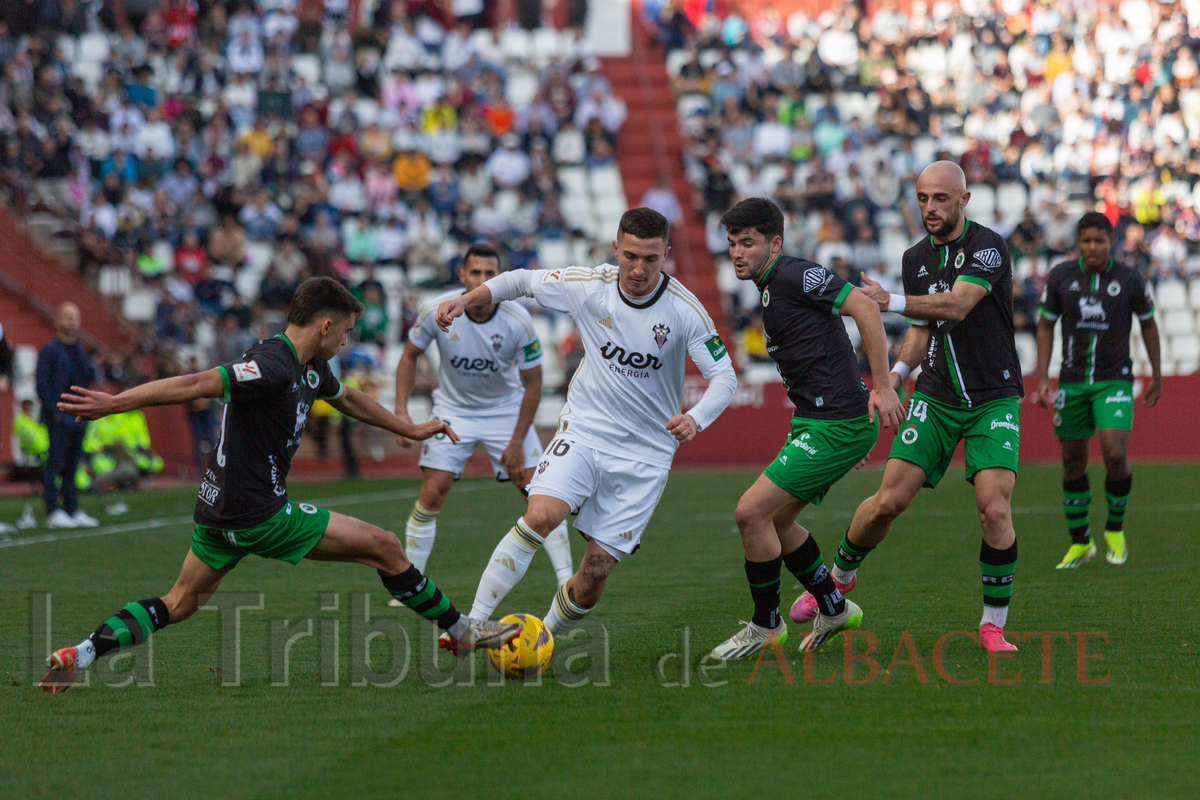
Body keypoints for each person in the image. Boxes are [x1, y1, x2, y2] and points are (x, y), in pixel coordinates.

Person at [40, 278, 520, 692]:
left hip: (217, 512)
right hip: (258, 513)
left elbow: (347, 397)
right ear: (325, 326)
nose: (347, 343)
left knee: (179, 602)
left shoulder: (310, 365)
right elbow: (198, 384)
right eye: (347, 333)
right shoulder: (272, 363)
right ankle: (461, 631)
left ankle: (80, 654)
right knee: (385, 546)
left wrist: (409, 429)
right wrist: (116, 402)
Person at [436, 208, 738, 645]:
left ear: (666, 255)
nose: (637, 269)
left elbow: (724, 377)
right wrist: (466, 300)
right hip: (585, 432)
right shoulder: (587, 285)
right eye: (630, 256)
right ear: (615, 248)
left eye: (650, 259)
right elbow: (519, 280)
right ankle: (471, 625)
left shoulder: (685, 310)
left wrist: (696, 417)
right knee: (538, 515)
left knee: (594, 575)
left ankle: (543, 640)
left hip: (645, 454)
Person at [711, 198, 904, 658]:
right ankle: (834, 608)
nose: (738, 253)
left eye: (749, 243)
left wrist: (880, 387)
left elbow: (866, 309)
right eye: (733, 244)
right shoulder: (769, 286)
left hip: (836, 423)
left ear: (775, 243)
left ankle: (766, 625)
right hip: (819, 420)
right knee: (777, 520)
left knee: (750, 513)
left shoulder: (795, 274)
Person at [850, 162, 1027, 653]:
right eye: (923, 198)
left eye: (941, 199)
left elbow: (957, 305)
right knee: (888, 501)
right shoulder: (914, 258)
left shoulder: (989, 246)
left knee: (994, 509)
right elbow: (923, 330)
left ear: (964, 199)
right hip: (937, 394)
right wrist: (896, 376)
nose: (930, 208)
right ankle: (839, 578)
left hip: (993, 396)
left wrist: (891, 301)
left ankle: (993, 624)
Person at [390, 244, 574, 590]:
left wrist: (517, 441)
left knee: (539, 496)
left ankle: (567, 579)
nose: (482, 279)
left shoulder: (518, 320)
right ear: (462, 275)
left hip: (506, 412)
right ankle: (410, 584)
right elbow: (409, 356)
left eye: (491, 274)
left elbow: (532, 385)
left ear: (500, 278)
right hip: (452, 411)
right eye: (476, 272)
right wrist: (401, 412)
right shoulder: (436, 311)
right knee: (432, 493)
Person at [1035, 212, 1161, 568]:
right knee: (1072, 461)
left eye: (1099, 241)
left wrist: (1157, 373)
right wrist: (1043, 377)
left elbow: (1149, 325)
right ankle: (1081, 543)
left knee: (1114, 454)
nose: (1092, 248)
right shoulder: (1061, 276)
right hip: (1072, 380)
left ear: (1111, 242)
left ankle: (1115, 530)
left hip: (1114, 379)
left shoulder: (1129, 277)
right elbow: (1045, 325)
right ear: (1078, 243)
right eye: (1086, 241)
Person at [36, 303, 98, 529]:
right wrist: (55, 414)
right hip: (59, 418)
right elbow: (42, 385)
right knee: (54, 464)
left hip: (78, 418)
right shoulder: (50, 350)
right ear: (58, 321)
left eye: (75, 318)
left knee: (73, 466)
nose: (72, 322)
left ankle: (72, 508)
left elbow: (87, 380)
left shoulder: (81, 351)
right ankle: (53, 510)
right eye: (68, 318)